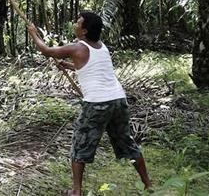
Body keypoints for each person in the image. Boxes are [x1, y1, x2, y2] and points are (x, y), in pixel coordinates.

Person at [27, 11, 153, 196]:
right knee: (127, 142)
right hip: (118, 100)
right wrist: (70, 66)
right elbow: (93, 68)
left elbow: (46, 50)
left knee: (80, 144)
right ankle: (148, 184)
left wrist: (33, 33)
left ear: (84, 31)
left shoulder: (77, 47)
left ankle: (76, 191)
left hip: (97, 103)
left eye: (78, 23)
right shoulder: (101, 46)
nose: (75, 24)